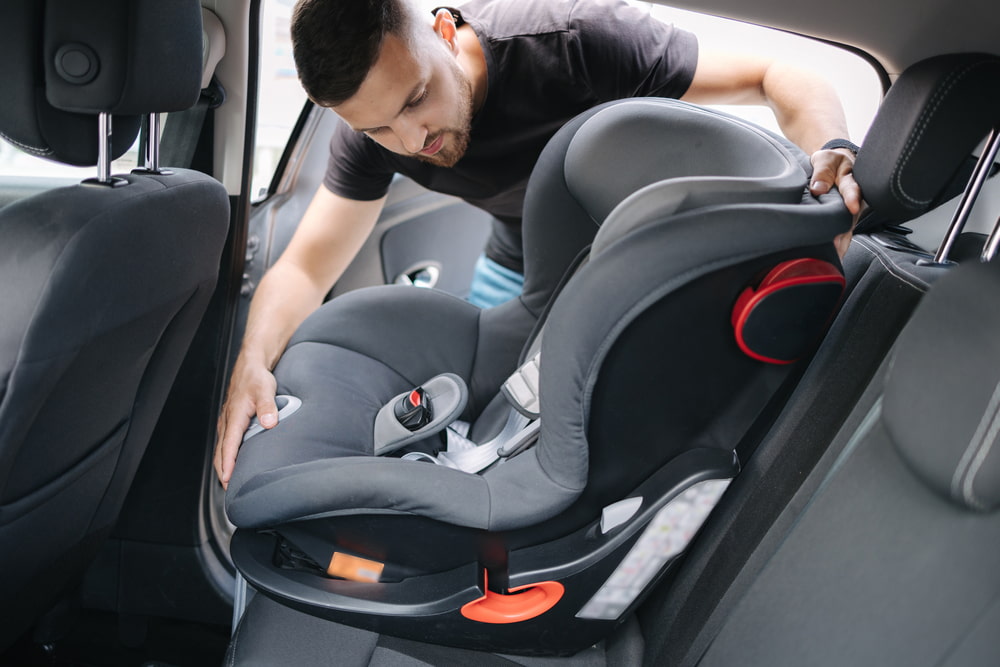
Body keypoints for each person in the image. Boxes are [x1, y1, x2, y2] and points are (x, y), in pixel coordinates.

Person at [214, 0, 862, 488]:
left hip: (637, 249)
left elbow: (779, 73)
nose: (413, 140)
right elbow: (304, 266)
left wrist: (831, 150)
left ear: (443, 31)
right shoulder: (370, 136)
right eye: (380, 126)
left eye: (418, 99)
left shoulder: (574, 39)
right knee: (487, 424)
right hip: (523, 260)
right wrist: (252, 364)